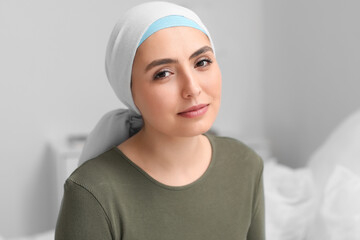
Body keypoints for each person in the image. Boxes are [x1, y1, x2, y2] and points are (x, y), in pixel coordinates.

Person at [55, 2, 265, 240]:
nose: (192, 89)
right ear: (130, 91)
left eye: (202, 62)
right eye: (163, 73)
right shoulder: (90, 192)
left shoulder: (246, 165)